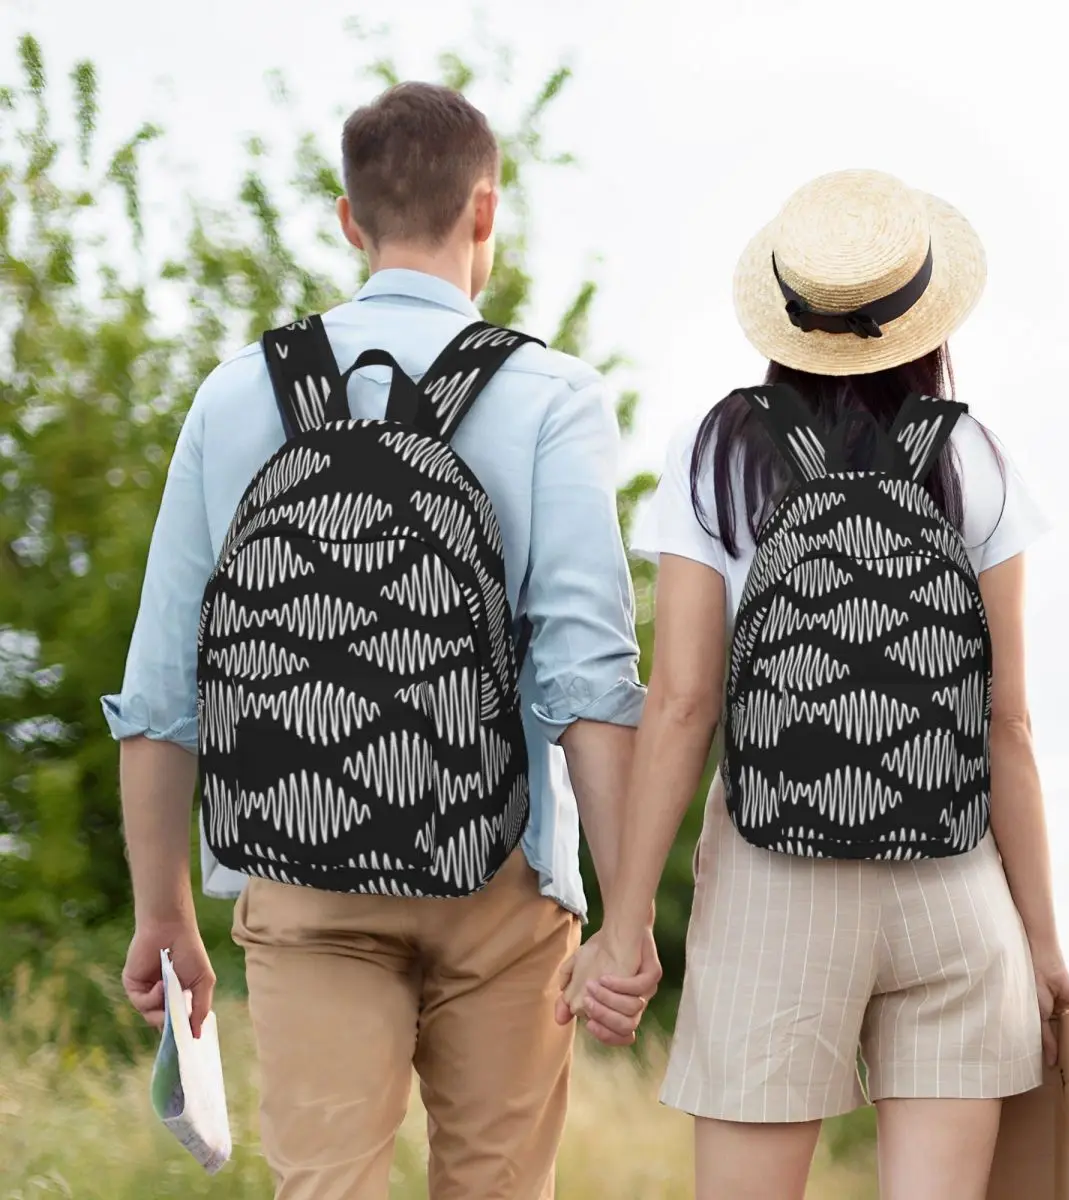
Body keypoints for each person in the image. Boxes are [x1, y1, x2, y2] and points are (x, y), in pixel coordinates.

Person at [104, 81, 661, 1200]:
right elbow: (587, 680)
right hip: (501, 872)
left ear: (350, 220)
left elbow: (165, 686)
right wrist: (627, 915)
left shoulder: (235, 395)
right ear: (486, 213)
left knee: (325, 1186)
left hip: (300, 873)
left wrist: (163, 911)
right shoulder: (550, 395)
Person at [560, 169, 1069, 1200]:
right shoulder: (973, 457)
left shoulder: (719, 451)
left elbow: (682, 703)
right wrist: (1043, 943)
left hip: (774, 883)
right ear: (925, 318)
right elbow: (1007, 724)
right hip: (954, 888)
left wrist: (624, 927)